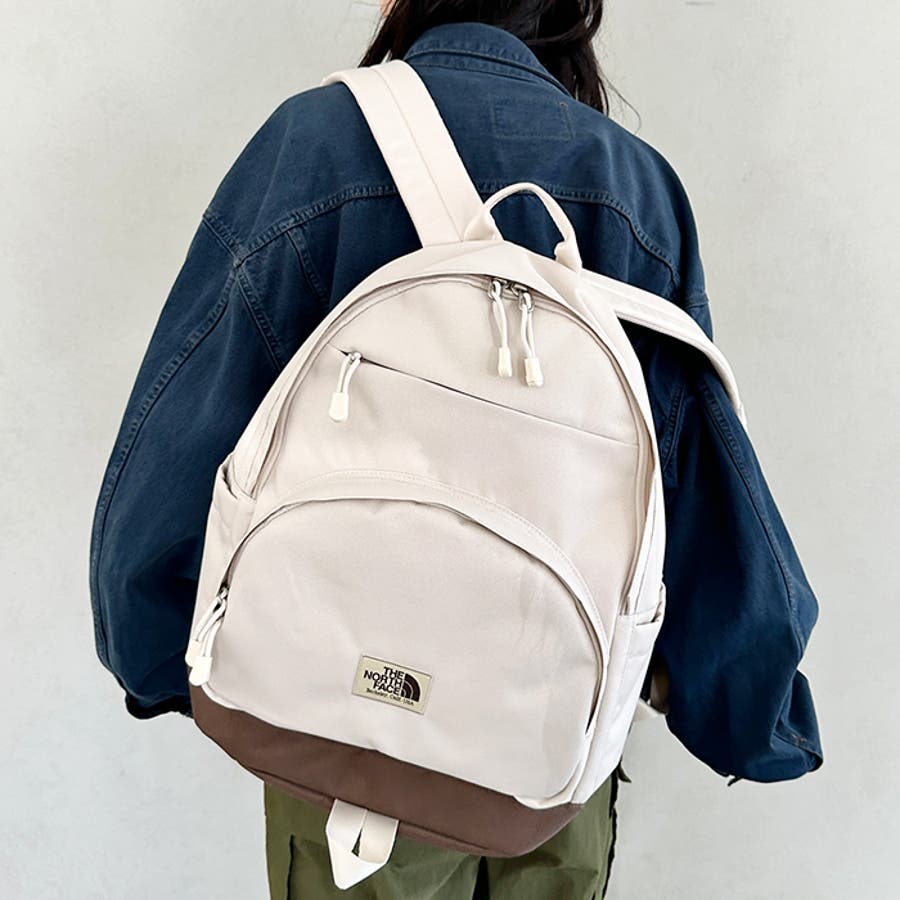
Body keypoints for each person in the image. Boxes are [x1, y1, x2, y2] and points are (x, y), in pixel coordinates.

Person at [89, 2, 823, 898]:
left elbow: (181, 430)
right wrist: (755, 713)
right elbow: (689, 485)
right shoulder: (634, 188)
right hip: (550, 749)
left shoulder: (314, 145)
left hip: (341, 741)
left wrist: (161, 655)